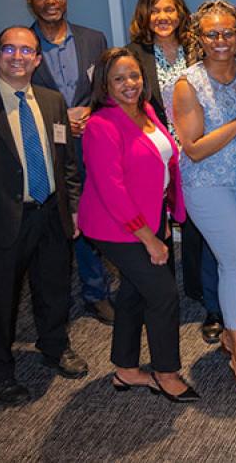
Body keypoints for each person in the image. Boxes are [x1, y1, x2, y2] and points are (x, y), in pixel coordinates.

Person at [0, 26, 89, 403]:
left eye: (27, 51)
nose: (18, 56)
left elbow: (67, 163)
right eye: (9, 49)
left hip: (51, 213)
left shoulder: (52, 100)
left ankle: (55, 346)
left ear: (37, 59)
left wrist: (72, 208)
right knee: (0, 298)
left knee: (55, 287)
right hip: (0, 221)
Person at [78, 48, 197, 402]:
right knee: (163, 295)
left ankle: (127, 370)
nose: (129, 84)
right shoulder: (100, 126)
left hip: (148, 217)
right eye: (119, 78)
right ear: (104, 85)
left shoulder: (145, 110)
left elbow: (165, 161)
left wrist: (165, 215)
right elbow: (112, 191)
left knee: (132, 293)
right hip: (116, 225)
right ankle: (165, 371)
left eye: (134, 76)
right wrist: (150, 239)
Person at [169, 0, 236, 391]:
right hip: (207, 184)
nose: (221, 40)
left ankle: (234, 333)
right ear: (199, 37)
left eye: (228, 32)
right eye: (212, 33)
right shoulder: (187, 84)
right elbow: (193, 148)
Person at [124, 0, 225, 344]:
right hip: (154, 152)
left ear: (181, 13)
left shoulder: (197, 50)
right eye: (155, 11)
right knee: (157, 224)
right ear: (144, 16)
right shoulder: (135, 54)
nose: (163, 17)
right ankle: (161, 295)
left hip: (196, 149)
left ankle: (201, 294)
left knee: (200, 222)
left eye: (169, 10)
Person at [20, 0, 114, 325]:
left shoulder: (93, 38)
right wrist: (57, 120)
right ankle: (55, 297)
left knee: (91, 212)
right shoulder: (21, 44)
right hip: (44, 146)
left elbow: (108, 85)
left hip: (91, 141)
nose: (50, 1)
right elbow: (13, 100)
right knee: (56, 220)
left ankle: (96, 291)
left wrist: (92, 109)